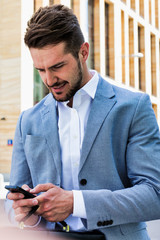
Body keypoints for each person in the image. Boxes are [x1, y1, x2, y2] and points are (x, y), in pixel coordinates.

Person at [5, 4, 160, 240]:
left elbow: (154, 194)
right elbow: (14, 203)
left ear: (83, 52)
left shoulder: (133, 107)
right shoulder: (29, 119)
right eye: (41, 70)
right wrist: (26, 212)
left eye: (57, 66)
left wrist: (76, 203)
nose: (49, 80)